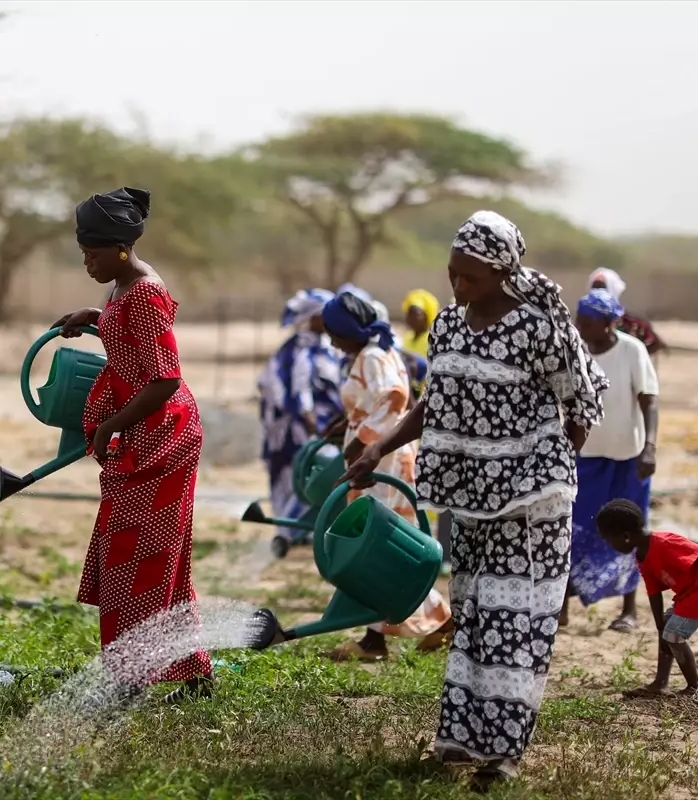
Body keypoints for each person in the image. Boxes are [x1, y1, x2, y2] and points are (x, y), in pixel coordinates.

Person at [343, 210, 608, 789]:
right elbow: (434, 404)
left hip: (531, 505)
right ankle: (463, 739)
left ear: (504, 272)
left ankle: (504, 753)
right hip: (468, 499)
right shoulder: (450, 328)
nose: (459, 287)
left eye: (472, 278)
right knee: (476, 620)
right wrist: (377, 447)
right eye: (453, 276)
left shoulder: (540, 329)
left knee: (516, 621)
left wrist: (546, 462)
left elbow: (582, 404)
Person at [53, 187, 212, 703]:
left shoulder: (143, 292)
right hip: (145, 435)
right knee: (159, 557)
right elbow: (131, 343)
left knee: (139, 555)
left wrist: (109, 425)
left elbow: (164, 379)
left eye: (93, 254)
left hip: (163, 438)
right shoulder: (123, 288)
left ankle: (131, 677)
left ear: (120, 249)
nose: (86, 263)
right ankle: (191, 673)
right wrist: (93, 319)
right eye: (83, 253)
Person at [318, 291, 452, 661]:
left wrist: (360, 442)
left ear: (347, 331)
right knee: (377, 547)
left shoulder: (372, 357)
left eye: (334, 333)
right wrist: (345, 424)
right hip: (383, 459)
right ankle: (378, 637)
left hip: (382, 463)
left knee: (374, 548)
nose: (331, 341)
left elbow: (393, 398)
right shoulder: (374, 353)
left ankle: (427, 623)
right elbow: (378, 401)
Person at [563, 288, 659, 632]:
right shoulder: (574, 352)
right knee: (575, 527)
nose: (579, 326)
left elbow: (649, 401)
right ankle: (562, 606)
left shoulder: (632, 350)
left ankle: (629, 609)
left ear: (607, 324)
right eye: (579, 319)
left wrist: (650, 447)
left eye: (586, 321)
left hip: (628, 458)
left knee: (632, 530)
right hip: (585, 457)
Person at [596, 499, 698, 698]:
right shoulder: (641, 555)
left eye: (609, 539)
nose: (609, 544)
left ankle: (695, 687)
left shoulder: (665, 542)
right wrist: (659, 624)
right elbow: (653, 592)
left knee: (673, 634)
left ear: (625, 536)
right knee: (666, 629)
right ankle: (660, 683)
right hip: (689, 594)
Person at [258, 288, 344, 559]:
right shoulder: (300, 352)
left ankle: (302, 532)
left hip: (319, 429)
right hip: (295, 432)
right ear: (311, 317)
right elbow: (299, 396)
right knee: (298, 481)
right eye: (323, 314)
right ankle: (286, 534)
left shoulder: (324, 348)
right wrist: (313, 429)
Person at [588, 268, 666, 357]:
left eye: (602, 287)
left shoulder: (634, 325)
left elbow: (652, 345)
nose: (598, 292)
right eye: (595, 287)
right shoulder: (583, 324)